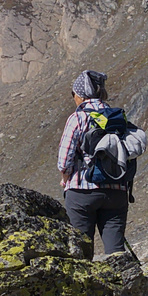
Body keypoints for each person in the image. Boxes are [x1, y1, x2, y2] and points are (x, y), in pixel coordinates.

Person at [57, 69, 133, 257]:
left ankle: (86, 286)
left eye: (73, 93)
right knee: (116, 250)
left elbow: (64, 158)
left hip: (82, 191)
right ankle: (124, 282)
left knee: (81, 251)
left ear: (81, 95)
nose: (73, 98)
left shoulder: (78, 118)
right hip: (116, 190)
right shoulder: (117, 117)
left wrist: (65, 177)